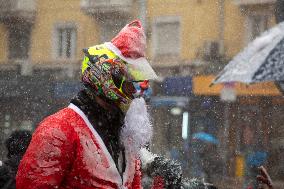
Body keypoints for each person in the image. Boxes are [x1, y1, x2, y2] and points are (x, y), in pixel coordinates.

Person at [16, 20, 180, 189]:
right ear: (106, 78)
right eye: (130, 80)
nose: (135, 90)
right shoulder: (59, 129)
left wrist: (163, 184)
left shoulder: (124, 138)